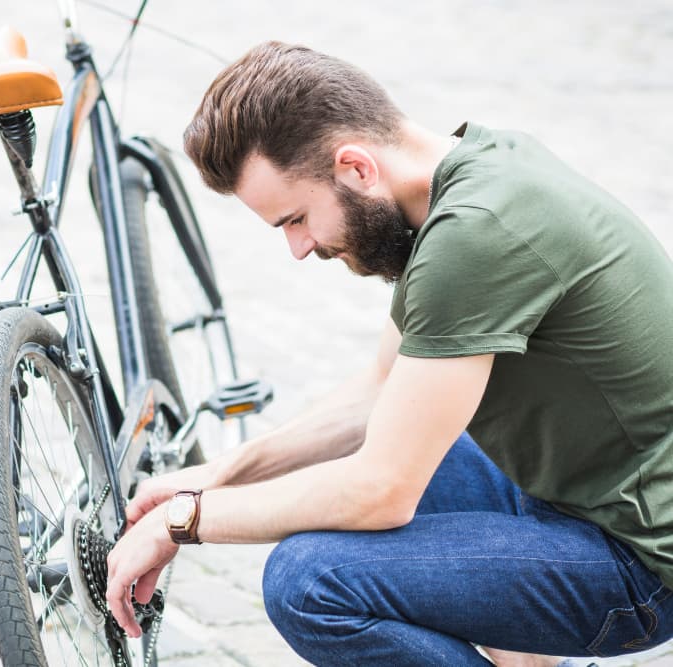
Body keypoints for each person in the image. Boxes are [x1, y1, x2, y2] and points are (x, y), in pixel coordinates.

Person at [104, 41, 673, 666]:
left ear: (356, 168)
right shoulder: (473, 170)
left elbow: (381, 491)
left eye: (296, 219)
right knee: (403, 445)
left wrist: (186, 520)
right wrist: (222, 473)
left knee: (310, 581)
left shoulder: (474, 235)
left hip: (642, 561)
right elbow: (381, 387)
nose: (299, 248)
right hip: (579, 490)